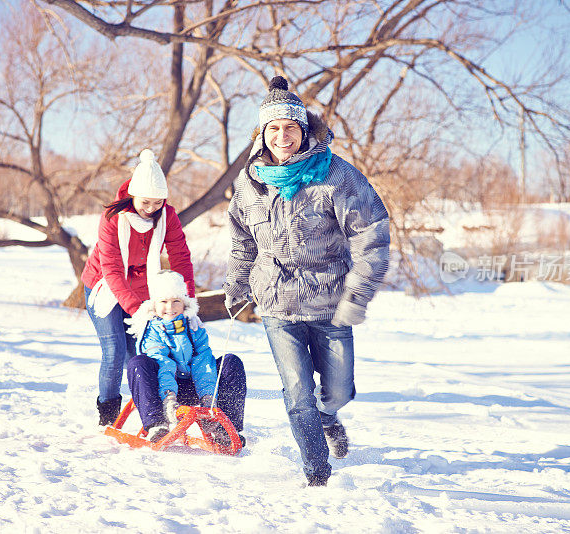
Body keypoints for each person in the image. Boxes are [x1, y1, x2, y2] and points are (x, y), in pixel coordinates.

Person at [223, 76, 390, 486]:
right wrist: (237, 285)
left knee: (337, 392)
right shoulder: (249, 182)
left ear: (304, 131)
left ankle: (329, 416)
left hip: (332, 303)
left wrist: (357, 297)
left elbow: (373, 236)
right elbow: (243, 240)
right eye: (274, 128)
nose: (283, 136)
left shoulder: (337, 176)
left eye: (291, 127)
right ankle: (317, 473)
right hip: (277, 305)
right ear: (263, 134)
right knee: (297, 394)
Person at [82, 149, 196, 426]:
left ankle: (153, 413)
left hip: (145, 291)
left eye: (158, 202)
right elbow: (111, 270)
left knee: (144, 354)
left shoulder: (167, 216)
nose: (152, 208)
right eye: (146, 201)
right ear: (133, 195)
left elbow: (180, 256)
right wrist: (138, 311)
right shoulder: (113, 217)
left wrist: (188, 300)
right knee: (115, 350)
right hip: (104, 288)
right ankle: (107, 417)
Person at [125, 270, 247, 445]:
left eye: (176, 301)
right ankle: (156, 426)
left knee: (231, 361)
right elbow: (163, 364)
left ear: (185, 304)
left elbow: (203, 362)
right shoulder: (150, 331)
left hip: (196, 386)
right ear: (154, 305)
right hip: (163, 390)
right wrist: (168, 399)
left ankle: (226, 428)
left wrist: (208, 398)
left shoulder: (194, 327)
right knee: (138, 363)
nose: (170, 307)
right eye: (163, 301)